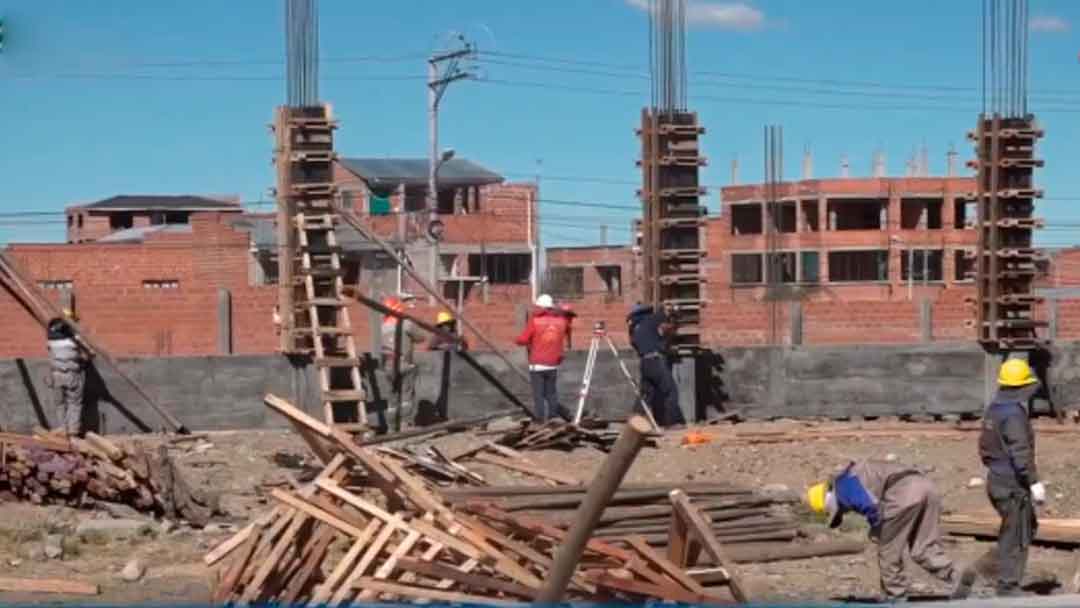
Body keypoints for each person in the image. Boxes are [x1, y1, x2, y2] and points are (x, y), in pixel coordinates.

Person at [807, 461, 975, 601]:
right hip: (926, 486)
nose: (843, 512)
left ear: (829, 499)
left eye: (838, 510)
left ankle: (895, 594)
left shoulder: (844, 486)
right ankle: (955, 573)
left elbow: (870, 507)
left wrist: (877, 529)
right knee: (923, 547)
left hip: (903, 492)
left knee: (888, 550)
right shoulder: (854, 475)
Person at [978, 358, 1044, 597]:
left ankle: (1003, 572)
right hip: (1011, 483)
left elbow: (984, 447)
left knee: (1024, 527)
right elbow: (1020, 451)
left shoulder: (994, 409)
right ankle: (1007, 586)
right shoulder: (1014, 415)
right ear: (1021, 387)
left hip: (997, 479)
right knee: (1016, 533)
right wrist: (1033, 481)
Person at [514, 294, 570, 421]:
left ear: (542, 307)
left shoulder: (535, 320)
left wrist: (516, 340)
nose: (536, 308)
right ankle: (553, 418)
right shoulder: (561, 322)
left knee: (538, 394)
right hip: (553, 364)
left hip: (537, 364)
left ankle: (539, 420)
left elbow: (523, 339)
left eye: (537, 306)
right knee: (551, 393)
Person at [627, 302, 682, 427]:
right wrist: (674, 322)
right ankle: (671, 423)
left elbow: (636, 344)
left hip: (644, 362)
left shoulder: (634, 328)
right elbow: (665, 323)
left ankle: (633, 423)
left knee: (645, 395)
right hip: (655, 361)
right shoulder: (653, 319)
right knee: (670, 391)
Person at [380, 296, 425, 432]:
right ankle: (405, 425)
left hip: (388, 366)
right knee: (406, 396)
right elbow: (421, 338)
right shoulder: (406, 324)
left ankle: (391, 429)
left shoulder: (384, 326)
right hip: (405, 363)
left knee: (392, 399)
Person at [47, 311, 89, 437]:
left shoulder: (50, 339)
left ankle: (62, 429)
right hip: (72, 375)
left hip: (56, 374)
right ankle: (73, 431)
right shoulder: (76, 339)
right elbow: (88, 354)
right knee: (74, 403)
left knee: (59, 403)